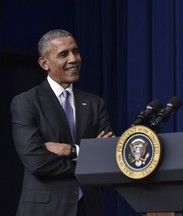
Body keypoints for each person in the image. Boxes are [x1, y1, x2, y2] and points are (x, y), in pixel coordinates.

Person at [10, 29, 114, 216]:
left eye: (75, 51)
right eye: (63, 54)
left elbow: (107, 155)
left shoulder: (94, 103)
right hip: (45, 209)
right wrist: (85, 156)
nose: (73, 59)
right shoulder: (26, 102)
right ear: (44, 63)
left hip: (89, 208)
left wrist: (70, 150)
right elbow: (36, 160)